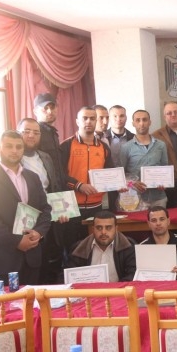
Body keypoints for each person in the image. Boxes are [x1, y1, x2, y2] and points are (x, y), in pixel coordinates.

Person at [0, 130, 52, 285]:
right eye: (9, 146)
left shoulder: (33, 177)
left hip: (31, 254)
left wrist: (39, 232)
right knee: (5, 302)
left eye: (19, 147)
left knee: (31, 300)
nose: (14, 150)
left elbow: (45, 209)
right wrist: (16, 241)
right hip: (0, 256)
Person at [17, 118, 67, 284]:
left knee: (47, 265)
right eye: (26, 131)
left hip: (46, 218)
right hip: (21, 221)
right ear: (18, 133)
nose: (31, 135)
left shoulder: (45, 157)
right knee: (26, 269)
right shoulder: (9, 158)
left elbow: (53, 188)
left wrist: (61, 211)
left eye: (36, 132)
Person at [60, 106, 116, 257]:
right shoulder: (66, 145)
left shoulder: (104, 147)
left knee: (95, 249)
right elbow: (59, 175)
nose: (88, 121)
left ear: (96, 121)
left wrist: (118, 184)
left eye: (92, 118)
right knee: (73, 249)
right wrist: (78, 185)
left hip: (96, 207)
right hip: (71, 207)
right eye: (85, 118)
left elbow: (110, 173)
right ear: (77, 121)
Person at [65, 210, 136, 282]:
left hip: (119, 288)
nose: (103, 232)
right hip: (88, 288)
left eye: (108, 228)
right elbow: (66, 276)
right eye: (99, 228)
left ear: (116, 228)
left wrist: (117, 288)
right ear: (93, 229)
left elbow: (133, 275)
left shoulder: (128, 246)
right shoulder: (80, 248)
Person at [120, 109, 168, 210]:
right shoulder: (126, 147)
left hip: (158, 197)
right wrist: (132, 183)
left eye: (145, 120)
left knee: (159, 220)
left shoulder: (161, 145)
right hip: (135, 198)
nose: (142, 123)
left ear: (150, 122)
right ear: (133, 123)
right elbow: (120, 174)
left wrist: (164, 182)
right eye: (138, 120)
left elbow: (165, 169)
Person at [139, 206, 177, 277]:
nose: (158, 223)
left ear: (168, 221)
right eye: (154, 220)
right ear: (149, 224)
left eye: (162, 219)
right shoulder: (142, 247)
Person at [33, 93, 64, 186]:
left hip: (57, 186)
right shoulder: (34, 133)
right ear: (35, 111)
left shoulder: (53, 133)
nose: (50, 111)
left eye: (52, 107)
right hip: (43, 187)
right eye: (45, 108)